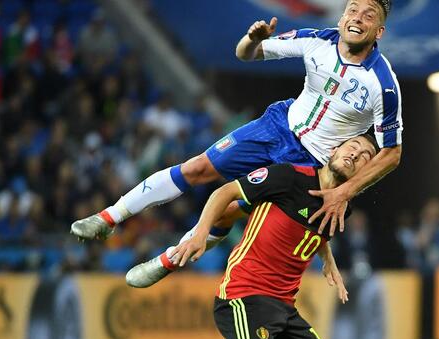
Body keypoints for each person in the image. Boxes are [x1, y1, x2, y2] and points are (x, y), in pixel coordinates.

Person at [71, 0, 402, 250]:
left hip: (310, 163)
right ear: (342, 16)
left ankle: (170, 258)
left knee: (231, 210)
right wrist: (251, 39)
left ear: (379, 31)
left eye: (369, 15)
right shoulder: (316, 40)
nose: (357, 18)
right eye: (353, 9)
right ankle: (109, 217)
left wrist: (343, 192)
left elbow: (392, 154)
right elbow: (247, 54)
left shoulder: (383, 84)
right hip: (277, 127)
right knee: (197, 168)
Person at [167, 133, 377, 339]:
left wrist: (328, 259)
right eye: (353, 145)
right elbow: (224, 192)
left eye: (366, 156)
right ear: (334, 148)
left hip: (284, 305)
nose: (356, 154)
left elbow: (314, 226)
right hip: (245, 292)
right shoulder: (288, 176)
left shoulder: (341, 207)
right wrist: (199, 235)